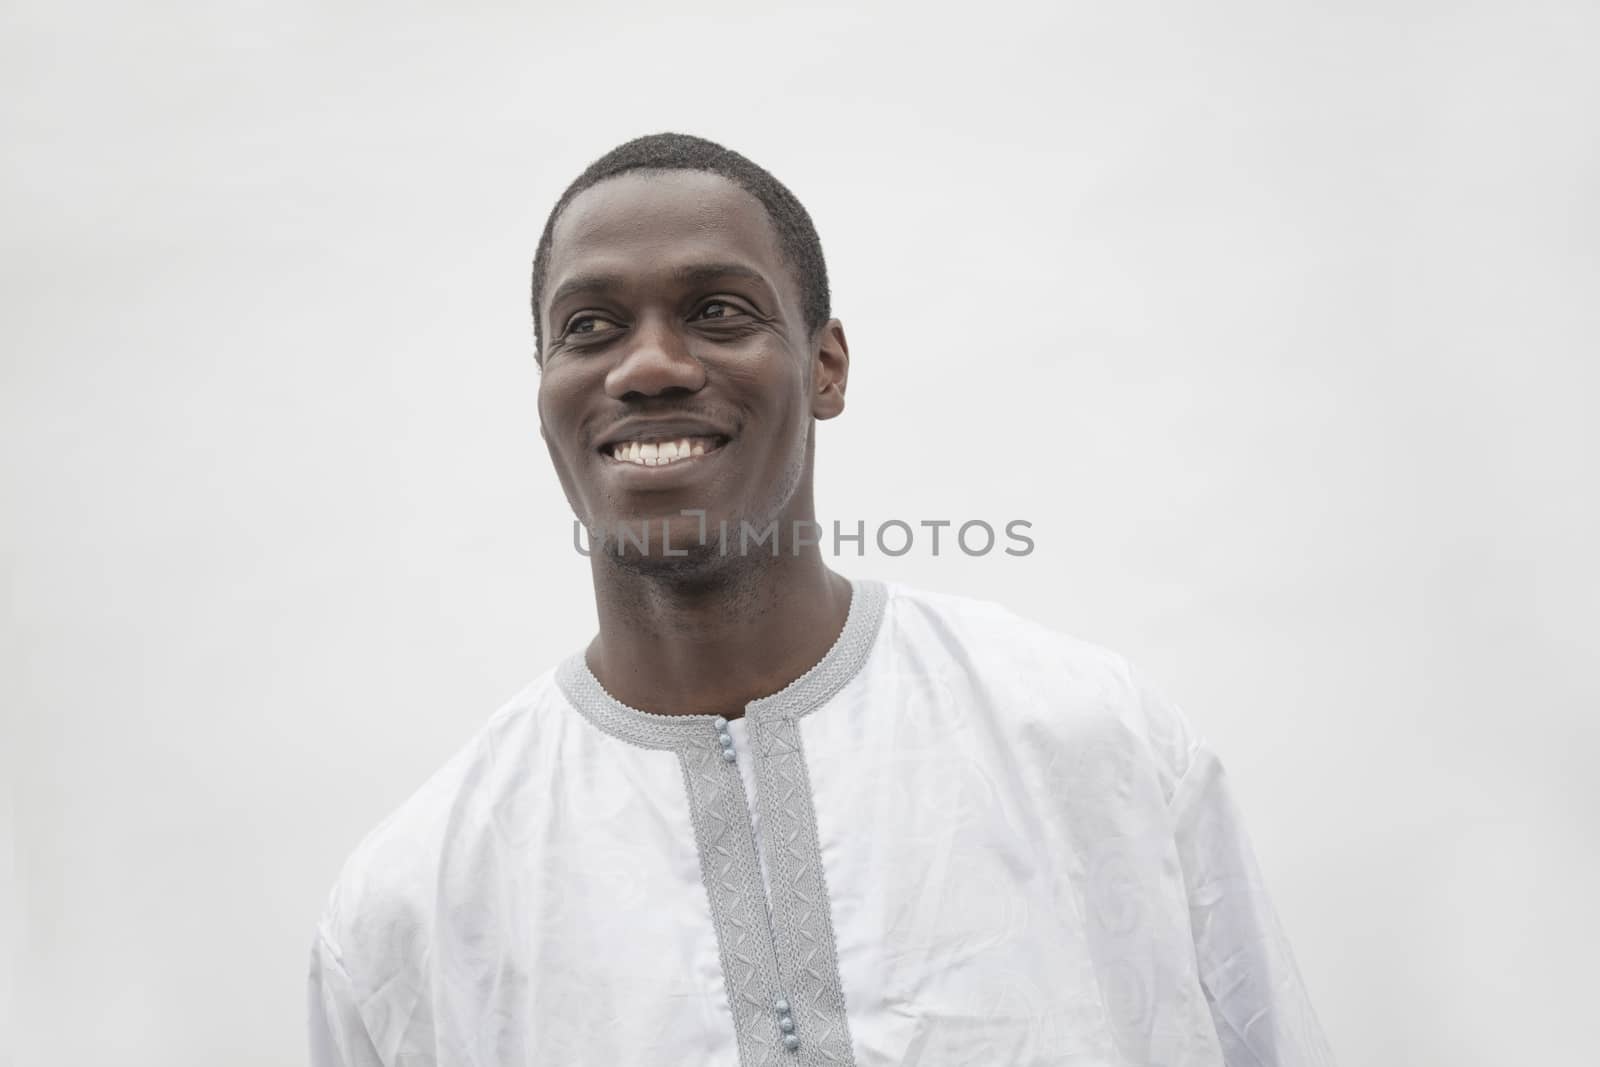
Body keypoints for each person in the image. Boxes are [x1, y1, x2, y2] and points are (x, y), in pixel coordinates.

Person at [307, 132, 1335, 1066]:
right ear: (546, 389)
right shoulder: (417, 901)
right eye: (590, 326)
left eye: (717, 310)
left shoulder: (1090, 744)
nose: (652, 363)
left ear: (825, 365)